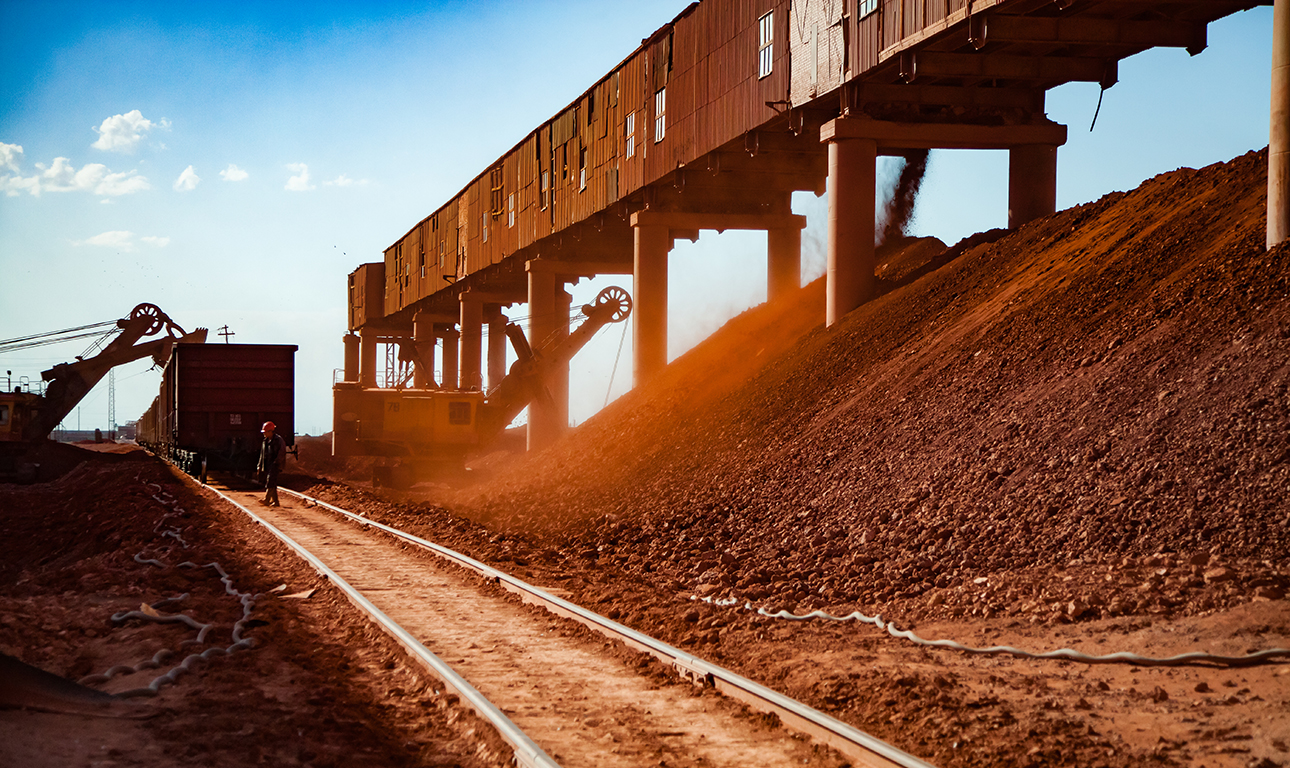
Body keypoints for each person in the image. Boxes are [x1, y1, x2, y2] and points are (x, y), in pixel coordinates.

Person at [257, 421, 287, 506]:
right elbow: (262, 454)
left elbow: (282, 452)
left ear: (271, 431)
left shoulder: (279, 440)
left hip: (275, 464)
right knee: (272, 482)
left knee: (270, 481)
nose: (264, 434)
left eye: (265, 432)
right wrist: (259, 465)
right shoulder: (265, 441)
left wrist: (276, 462)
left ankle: (267, 500)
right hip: (268, 464)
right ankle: (276, 502)